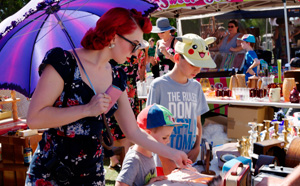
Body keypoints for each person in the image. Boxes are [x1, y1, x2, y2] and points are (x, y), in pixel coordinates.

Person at [25, 8, 188, 185]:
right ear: (113, 37)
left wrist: (172, 153)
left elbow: (132, 131)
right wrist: (87, 109)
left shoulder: (117, 77)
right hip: (52, 171)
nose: (136, 52)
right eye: (134, 44)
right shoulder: (63, 62)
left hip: (90, 171)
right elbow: (35, 118)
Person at [146, 33, 217, 175]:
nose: (198, 70)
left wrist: (197, 147)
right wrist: (166, 159)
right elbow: (150, 128)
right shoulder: (158, 86)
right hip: (164, 162)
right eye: (193, 64)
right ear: (177, 58)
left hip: (189, 160)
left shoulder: (196, 87)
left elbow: (197, 123)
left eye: (201, 65)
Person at [115, 104, 189, 186]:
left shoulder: (149, 153)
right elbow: (120, 184)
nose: (168, 141)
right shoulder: (134, 160)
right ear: (147, 134)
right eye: (164, 138)